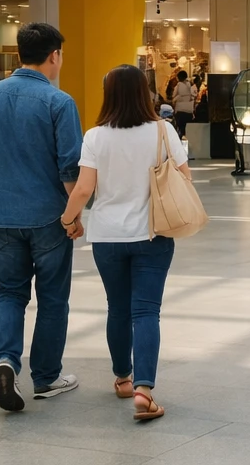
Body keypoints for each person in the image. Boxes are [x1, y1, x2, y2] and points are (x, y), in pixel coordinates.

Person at [0, 22, 82, 412]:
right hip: (48, 217)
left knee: (10, 292)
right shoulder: (59, 102)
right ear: (55, 56)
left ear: (19, 54)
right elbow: (70, 169)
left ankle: (4, 361)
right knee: (52, 298)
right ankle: (46, 377)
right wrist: (73, 215)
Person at [59, 65, 186, 423]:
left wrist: (69, 220)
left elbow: (83, 189)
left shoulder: (96, 136)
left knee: (117, 308)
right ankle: (145, 390)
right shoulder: (163, 130)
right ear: (144, 92)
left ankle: (123, 378)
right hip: (154, 233)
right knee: (146, 311)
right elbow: (184, 177)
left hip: (108, 236)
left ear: (109, 94)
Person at [171, 71, 196, 140]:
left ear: (178, 78)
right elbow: (194, 96)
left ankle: (181, 142)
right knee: (187, 131)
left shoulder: (178, 86)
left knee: (180, 130)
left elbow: (173, 96)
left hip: (180, 112)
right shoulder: (190, 86)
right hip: (189, 112)